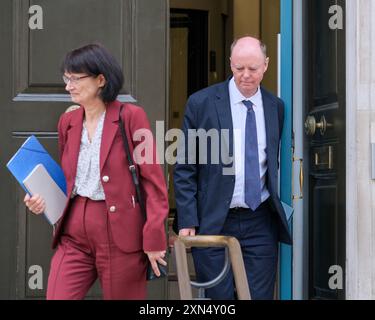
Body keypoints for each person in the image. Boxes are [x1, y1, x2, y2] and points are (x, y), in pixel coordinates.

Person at [24, 44, 169, 300]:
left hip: (120, 234)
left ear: (101, 79)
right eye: (66, 78)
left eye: (75, 78)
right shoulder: (67, 122)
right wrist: (40, 200)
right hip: (73, 232)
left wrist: (154, 238)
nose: (68, 86)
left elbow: (153, 182)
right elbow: (68, 180)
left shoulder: (132, 117)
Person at [173, 36, 292, 300]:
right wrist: (188, 219)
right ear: (230, 64)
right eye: (239, 69)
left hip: (260, 219)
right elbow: (185, 167)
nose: (246, 75)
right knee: (220, 299)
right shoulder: (201, 103)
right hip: (214, 218)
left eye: (253, 68)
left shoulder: (276, 107)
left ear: (266, 65)